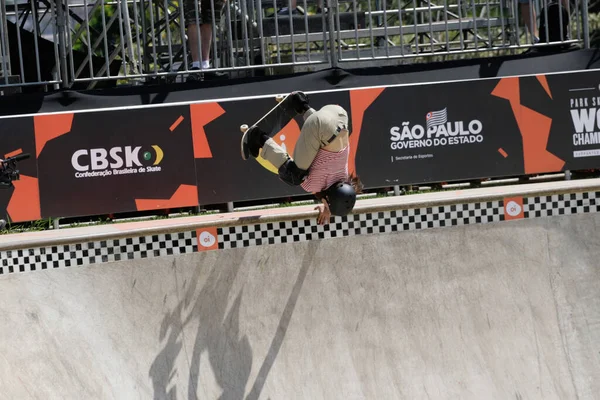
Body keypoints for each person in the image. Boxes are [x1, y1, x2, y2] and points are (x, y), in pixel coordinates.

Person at [243, 92, 363, 225]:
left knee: (323, 135)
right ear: (328, 199)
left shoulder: (344, 176)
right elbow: (323, 188)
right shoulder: (313, 184)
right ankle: (258, 138)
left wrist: (328, 207)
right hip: (319, 125)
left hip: (338, 115)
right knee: (294, 175)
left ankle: (301, 104)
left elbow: (332, 188)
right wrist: (327, 206)